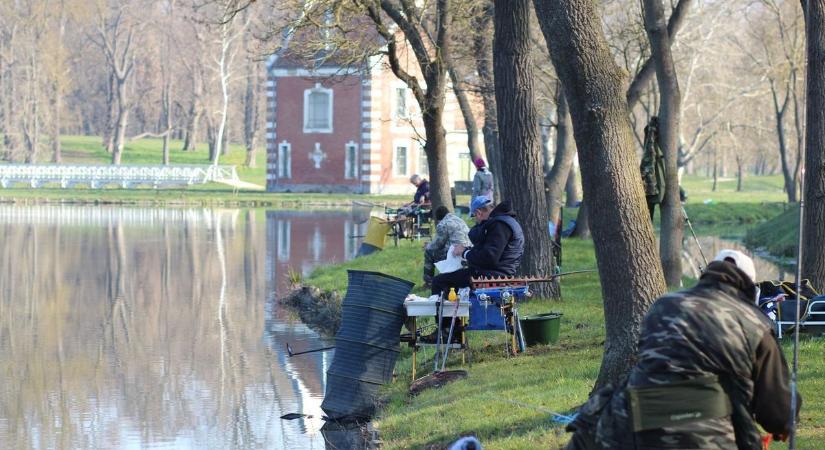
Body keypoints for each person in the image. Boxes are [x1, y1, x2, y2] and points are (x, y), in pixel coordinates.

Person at [565, 249, 801, 450]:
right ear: (750, 287)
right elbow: (778, 412)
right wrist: (785, 421)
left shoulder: (663, 306)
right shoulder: (755, 322)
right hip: (709, 434)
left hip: (636, 426)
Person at [430, 196, 524, 298]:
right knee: (448, 279)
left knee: (438, 282)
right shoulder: (503, 222)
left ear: (478, 213)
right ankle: (457, 312)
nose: (477, 222)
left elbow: (489, 257)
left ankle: (447, 313)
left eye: (474, 217)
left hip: (492, 275)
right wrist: (469, 251)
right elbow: (490, 250)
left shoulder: (499, 225)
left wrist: (464, 252)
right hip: (496, 271)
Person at [422, 206, 471, 288]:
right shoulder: (459, 220)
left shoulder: (443, 223)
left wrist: (428, 246)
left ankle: (429, 282)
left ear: (438, 218)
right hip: (467, 252)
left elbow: (437, 245)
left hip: (456, 254)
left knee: (429, 252)